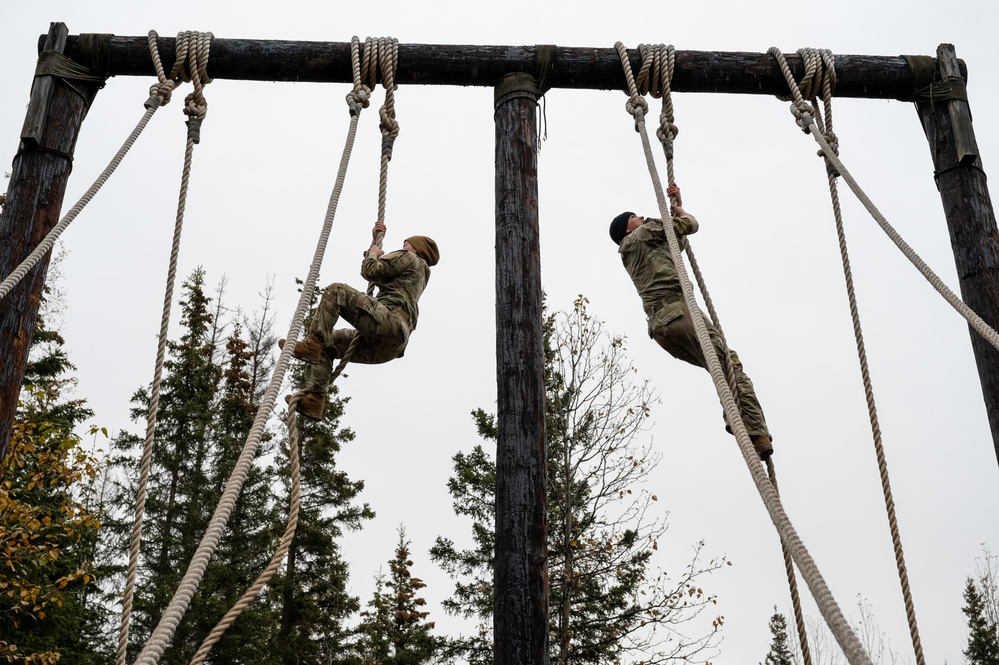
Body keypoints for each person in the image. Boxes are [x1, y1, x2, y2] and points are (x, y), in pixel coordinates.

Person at [609, 183, 773, 460]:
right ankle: (756, 432)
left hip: (661, 328)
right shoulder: (644, 233)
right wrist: (681, 211)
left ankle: (735, 417)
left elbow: (676, 246)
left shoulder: (632, 250)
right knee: (730, 366)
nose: (643, 217)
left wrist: (675, 208)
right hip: (680, 313)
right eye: (636, 216)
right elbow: (689, 225)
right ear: (629, 227)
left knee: (720, 368)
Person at [284, 220, 440, 420]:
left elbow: (371, 271)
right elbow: (379, 274)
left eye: (406, 244)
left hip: (389, 323)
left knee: (336, 291)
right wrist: (373, 243)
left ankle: (312, 343)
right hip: (391, 345)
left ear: (416, 249)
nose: (403, 247)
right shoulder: (419, 273)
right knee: (328, 344)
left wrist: (374, 253)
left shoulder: (409, 257)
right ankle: (314, 400)